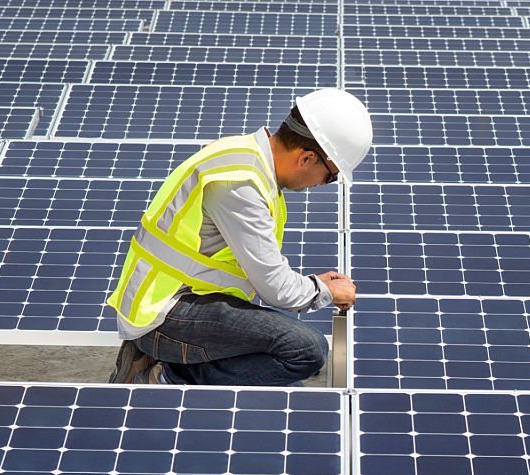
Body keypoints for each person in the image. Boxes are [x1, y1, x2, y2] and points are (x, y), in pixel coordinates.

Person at [107, 88, 372, 386]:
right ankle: (166, 374)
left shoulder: (245, 158)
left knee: (283, 365)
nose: (324, 184)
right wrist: (324, 291)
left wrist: (317, 285)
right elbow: (276, 289)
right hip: (164, 312)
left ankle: (173, 362)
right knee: (306, 351)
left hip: (189, 299)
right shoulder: (240, 185)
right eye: (330, 176)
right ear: (307, 158)